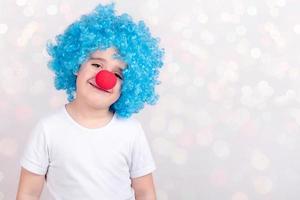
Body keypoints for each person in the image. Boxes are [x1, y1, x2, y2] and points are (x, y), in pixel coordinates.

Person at [16, 3, 164, 200]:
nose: (105, 77)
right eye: (96, 64)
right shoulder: (48, 129)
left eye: (117, 75)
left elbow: (145, 192)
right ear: (77, 64)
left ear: (128, 86)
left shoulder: (131, 131)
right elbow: (28, 193)